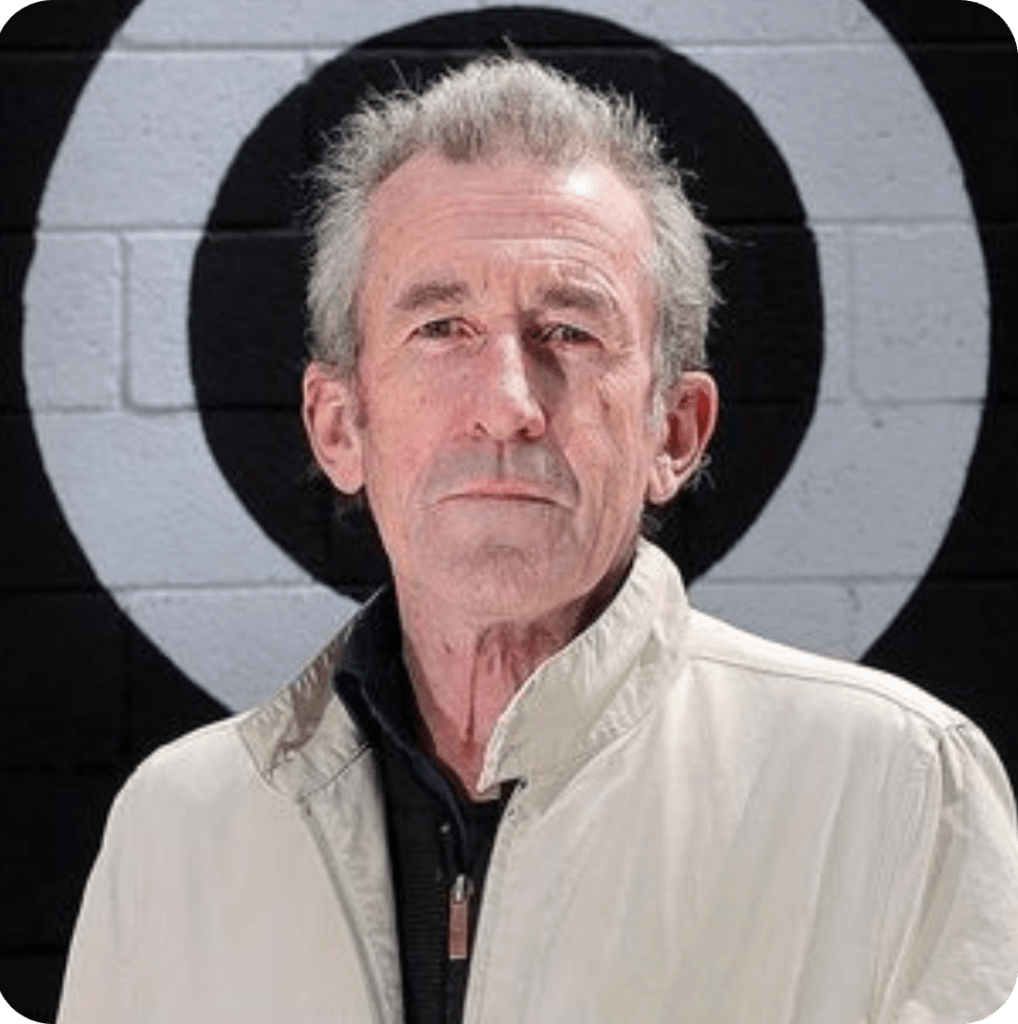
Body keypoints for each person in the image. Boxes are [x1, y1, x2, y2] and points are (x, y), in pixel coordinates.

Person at [57, 56, 1018, 1024]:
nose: (509, 404)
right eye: (442, 328)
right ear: (339, 425)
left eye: (568, 331)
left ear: (674, 431)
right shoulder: (175, 829)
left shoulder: (895, 786)